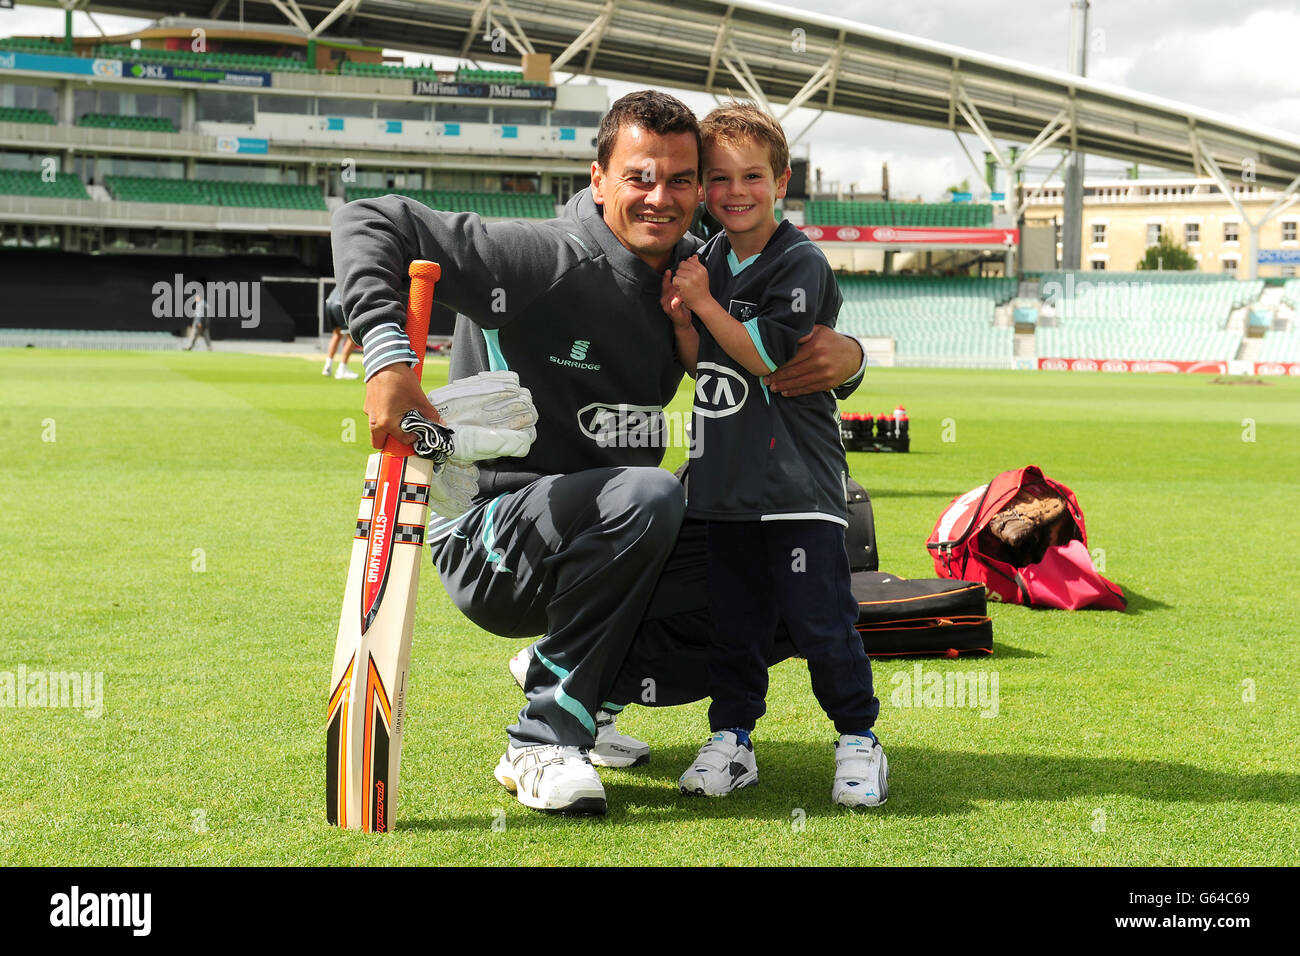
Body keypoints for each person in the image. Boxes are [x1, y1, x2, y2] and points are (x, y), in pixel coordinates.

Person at [331, 90, 867, 816]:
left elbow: (773, 348)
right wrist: (389, 357)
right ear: (598, 179)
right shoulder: (544, 257)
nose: (661, 197)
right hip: (490, 536)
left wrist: (851, 358)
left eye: (682, 180)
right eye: (641, 177)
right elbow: (372, 218)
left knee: (787, 555)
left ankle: (585, 687)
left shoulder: (695, 272)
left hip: (611, 532)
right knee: (646, 495)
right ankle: (541, 739)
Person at [663, 103, 886, 807]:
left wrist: (702, 301)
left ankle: (858, 739)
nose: (735, 191)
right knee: (735, 627)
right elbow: (707, 369)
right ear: (703, 188)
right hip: (726, 487)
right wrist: (682, 322)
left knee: (822, 621)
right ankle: (732, 739)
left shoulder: (800, 260)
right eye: (719, 178)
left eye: (752, 175)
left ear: (782, 179)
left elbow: (763, 356)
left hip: (800, 486)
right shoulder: (706, 258)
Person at [321, 286, 359, 379]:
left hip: (329, 302)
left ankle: (327, 366)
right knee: (352, 338)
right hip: (339, 304)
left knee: (336, 334)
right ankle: (342, 369)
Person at [184, 281, 212, 351]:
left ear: (199, 297)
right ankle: (209, 348)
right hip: (205, 323)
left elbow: (200, 314)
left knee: (194, 335)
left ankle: (189, 347)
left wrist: (199, 322)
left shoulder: (200, 304)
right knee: (206, 336)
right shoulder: (205, 303)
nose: (195, 298)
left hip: (199, 323)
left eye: (196, 297)